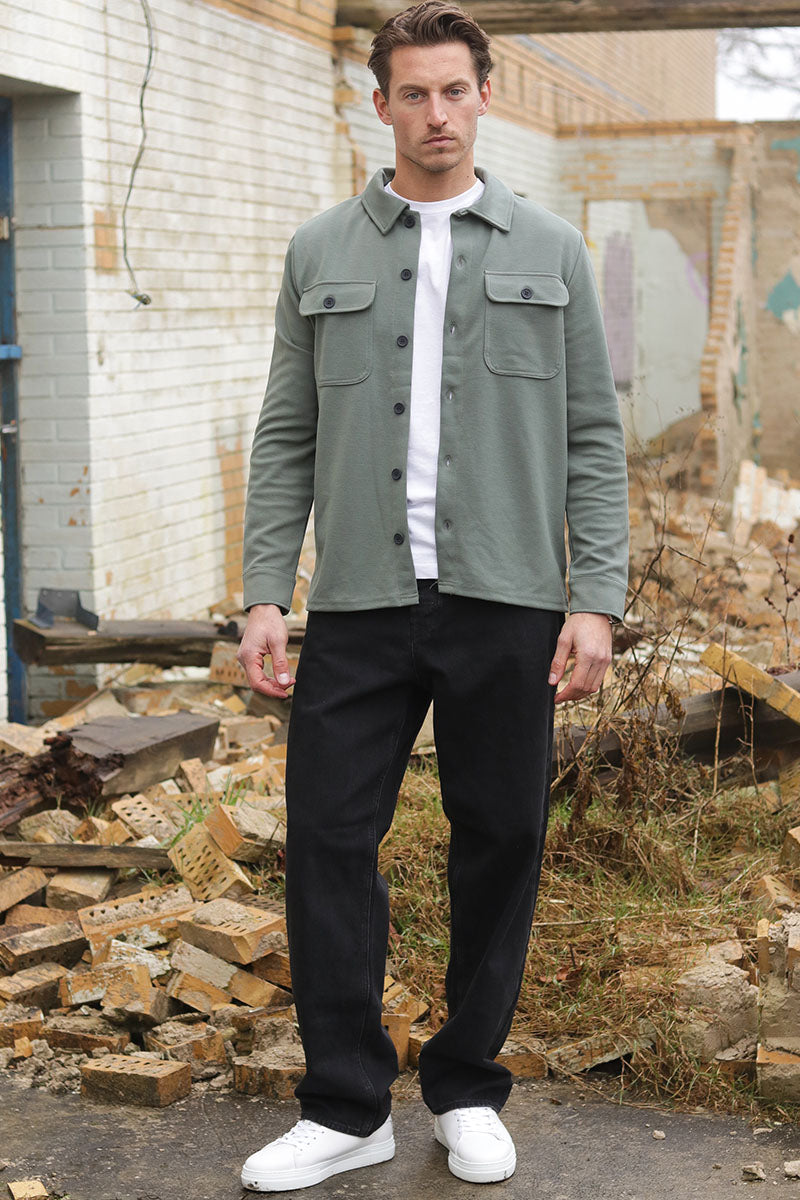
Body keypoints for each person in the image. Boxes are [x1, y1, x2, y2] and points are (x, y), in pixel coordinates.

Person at [237, 1, 628, 1190]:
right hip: (359, 602)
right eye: (412, 93)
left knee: (499, 837)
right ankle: (345, 1105)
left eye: (454, 90)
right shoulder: (320, 250)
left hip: (507, 600)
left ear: (484, 96)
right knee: (325, 839)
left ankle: (465, 1089)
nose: (435, 114)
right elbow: (285, 432)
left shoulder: (551, 250)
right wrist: (264, 591)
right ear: (381, 105)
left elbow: (592, 436)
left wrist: (594, 597)